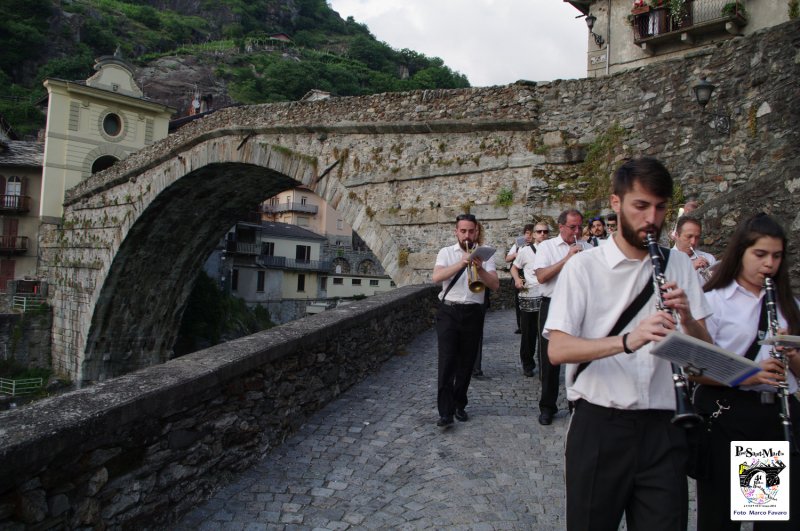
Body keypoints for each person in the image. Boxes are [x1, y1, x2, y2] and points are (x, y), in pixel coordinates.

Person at [545, 157, 712, 530]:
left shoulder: (680, 265)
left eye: (660, 207)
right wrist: (627, 340)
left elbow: (703, 359)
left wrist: (686, 317)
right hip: (600, 424)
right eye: (641, 206)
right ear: (617, 203)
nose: (652, 218)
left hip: (664, 427)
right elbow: (557, 350)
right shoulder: (583, 267)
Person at [694, 212, 800, 531]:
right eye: (760, 254)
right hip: (730, 415)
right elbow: (695, 369)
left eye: (776, 256)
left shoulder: (788, 304)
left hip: (773, 418)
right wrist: (748, 373)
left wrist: (792, 354)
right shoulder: (715, 300)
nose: (769, 264)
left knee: (769, 517)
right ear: (740, 252)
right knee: (722, 519)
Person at [433, 213, 499, 428]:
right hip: (449, 311)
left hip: (473, 312)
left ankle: (460, 404)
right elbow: (436, 277)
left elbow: (495, 285)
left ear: (476, 231)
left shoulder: (486, 254)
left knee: (466, 363)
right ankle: (445, 412)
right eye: (463, 231)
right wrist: (462, 264)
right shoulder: (446, 252)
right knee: (447, 362)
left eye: (471, 231)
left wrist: (479, 268)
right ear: (456, 232)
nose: (467, 235)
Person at [532, 209, 591, 426]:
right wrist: (566, 259)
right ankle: (547, 406)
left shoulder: (588, 248)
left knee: (582, 355)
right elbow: (541, 277)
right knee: (549, 359)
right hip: (553, 304)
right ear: (561, 227)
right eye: (572, 227)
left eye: (579, 227)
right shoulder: (546, 247)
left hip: (580, 305)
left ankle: (577, 403)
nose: (577, 232)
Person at [510, 221, 549, 377]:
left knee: (545, 334)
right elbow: (514, 267)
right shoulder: (525, 251)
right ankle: (528, 364)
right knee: (528, 334)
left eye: (545, 232)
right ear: (533, 235)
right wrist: (517, 280)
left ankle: (544, 365)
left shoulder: (553, 250)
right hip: (529, 294)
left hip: (547, 295)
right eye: (539, 232)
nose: (542, 234)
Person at [672, 216, 717, 284]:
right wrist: (690, 268)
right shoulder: (666, 259)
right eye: (689, 236)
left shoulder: (709, 258)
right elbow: (666, 289)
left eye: (697, 237)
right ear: (676, 235)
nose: (693, 242)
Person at [472, 221, 491, 378]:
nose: (474, 233)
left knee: (477, 334)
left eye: (476, 230)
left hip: (479, 296)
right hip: (461, 299)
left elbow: (494, 282)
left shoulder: (485, 252)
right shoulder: (456, 251)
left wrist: (481, 268)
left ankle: (476, 368)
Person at [506, 227, 533, 334]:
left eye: (530, 233)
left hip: (530, 275)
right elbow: (507, 259)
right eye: (526, 233)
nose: (528, 236)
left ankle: (531, 324)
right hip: (519, 274)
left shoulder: (537, 245)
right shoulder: (518, 245)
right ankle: (521, 325)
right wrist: (515, 255)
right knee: (519, 302)